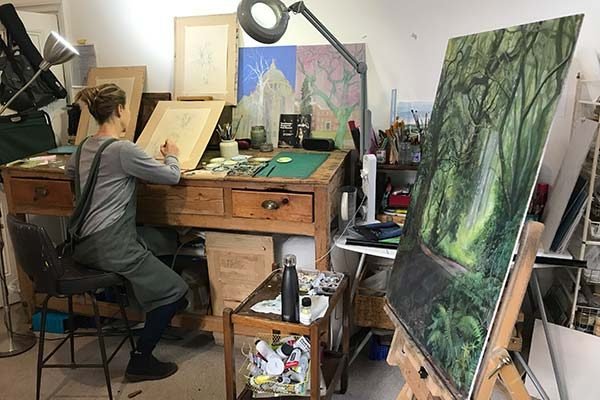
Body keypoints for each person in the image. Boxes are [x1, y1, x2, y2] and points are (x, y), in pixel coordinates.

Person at [65, 83, 189, 382]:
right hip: (111, 246)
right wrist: (171, 154)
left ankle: (147, 303)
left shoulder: (83, 146)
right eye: (128, 108)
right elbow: (172, 176)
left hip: (83, 244)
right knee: (177, 291)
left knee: (167, 240)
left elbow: (71, 174)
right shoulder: (123, 149)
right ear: (120, 110)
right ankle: (141, 360)